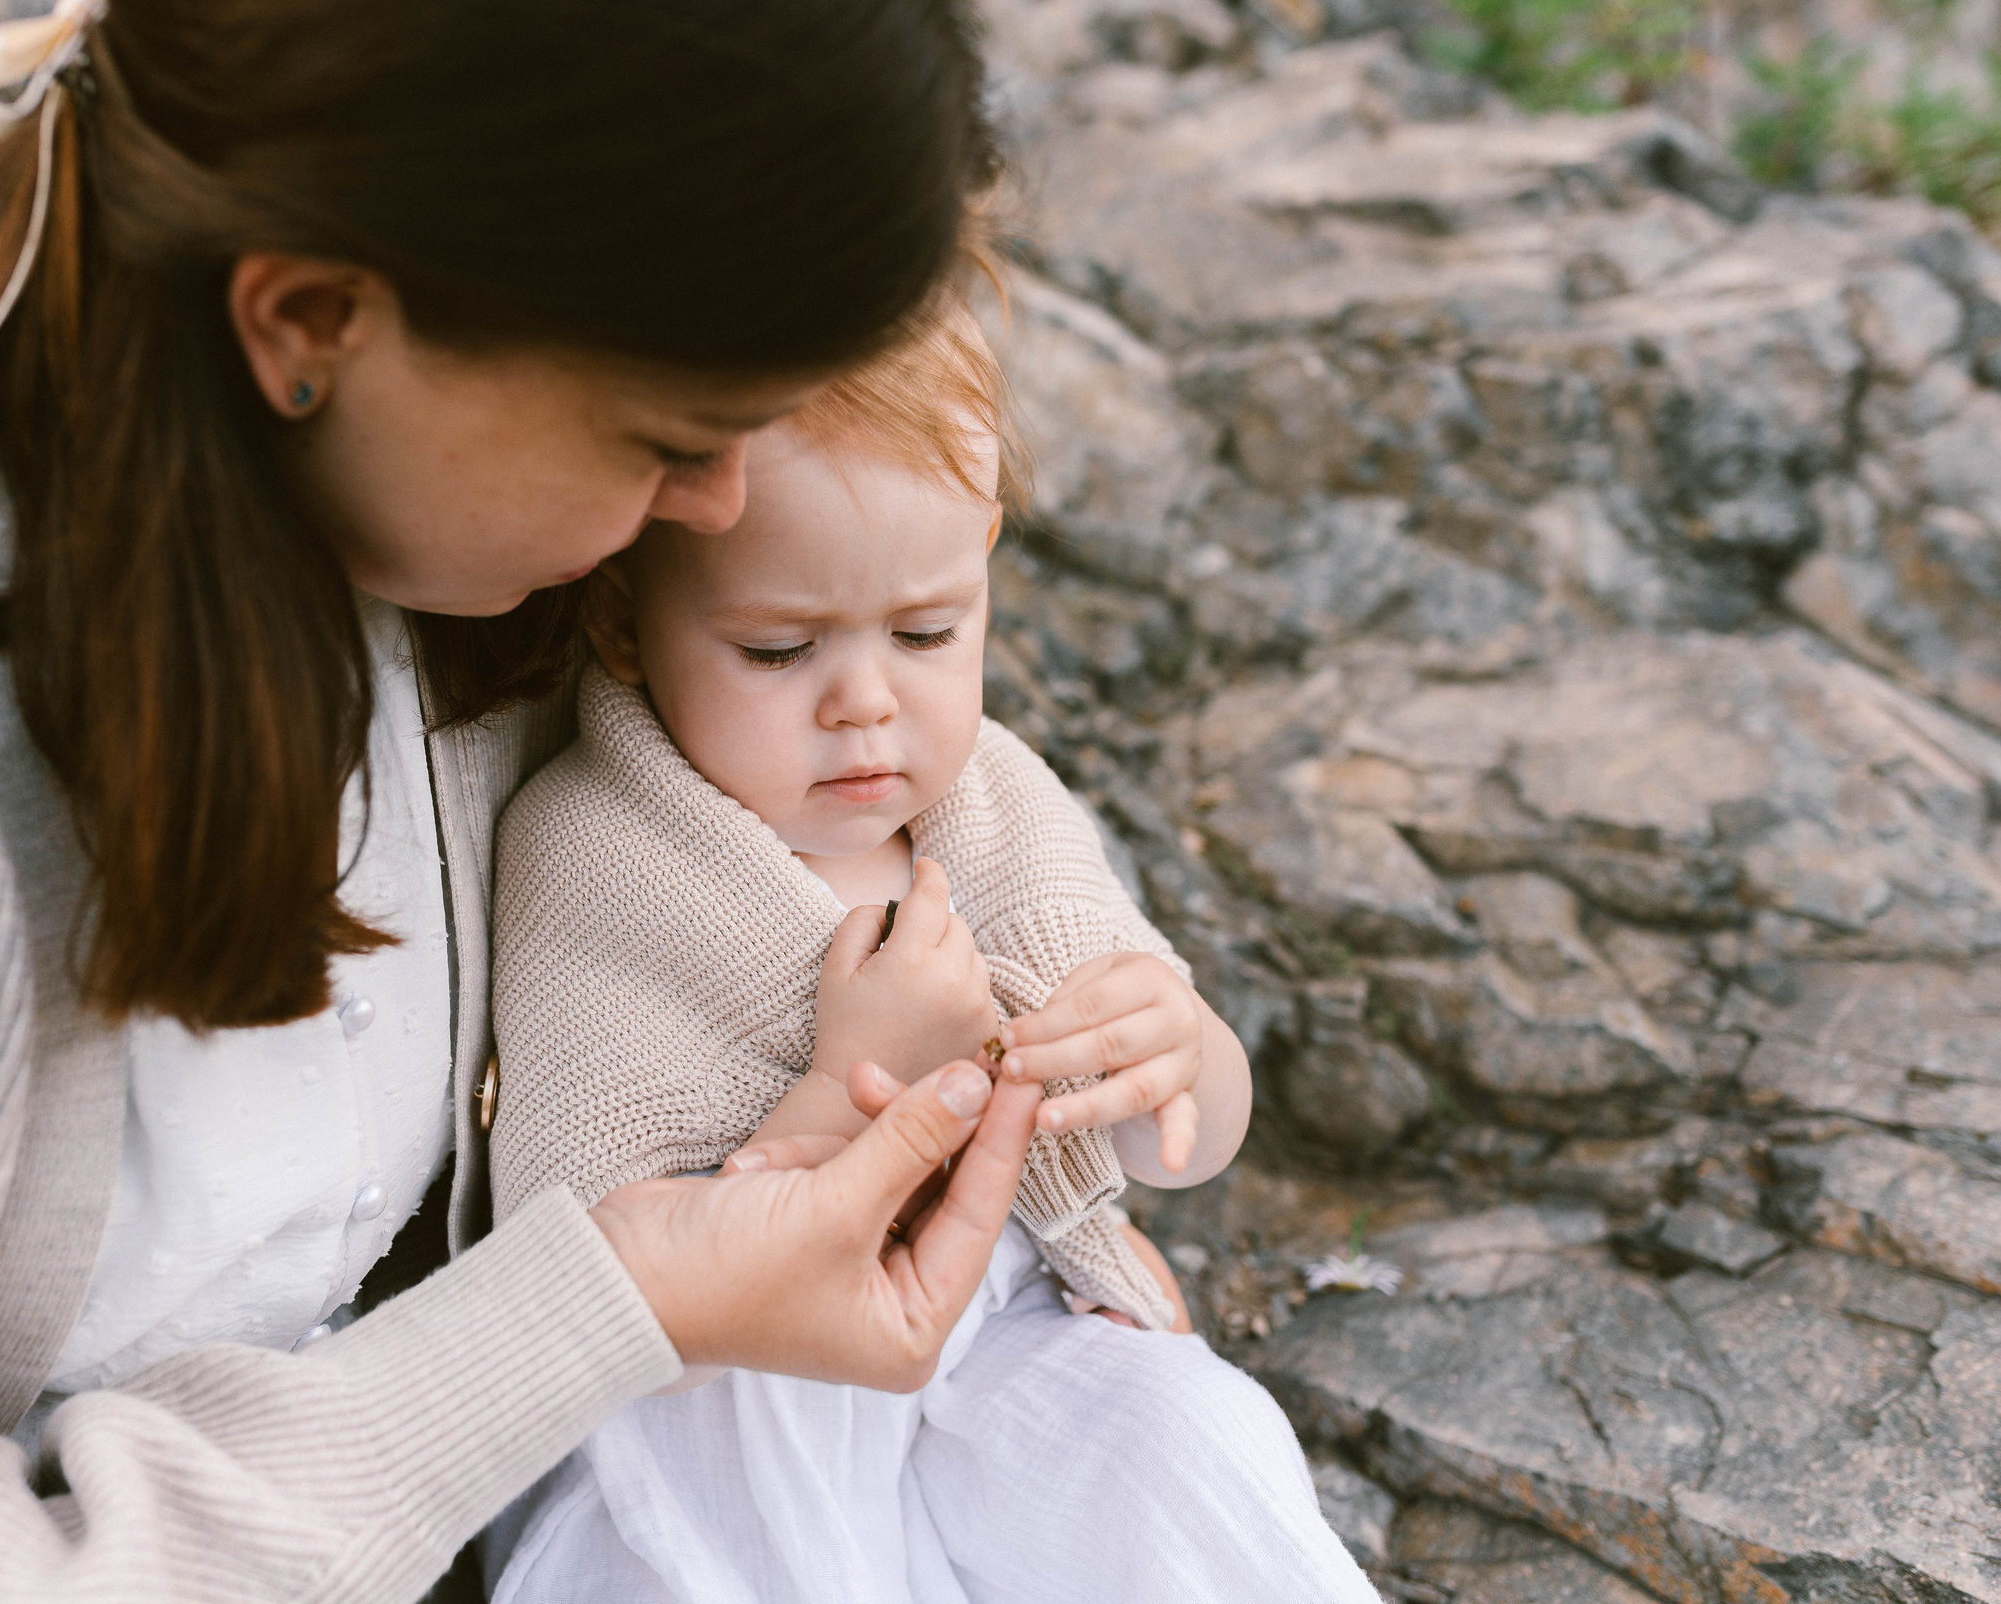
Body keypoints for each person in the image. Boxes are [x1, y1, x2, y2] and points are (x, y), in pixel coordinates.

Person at [0, 0, 1082, 1598]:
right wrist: (608, 1305)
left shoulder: (435, 520)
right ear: (310, 321)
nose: (718, 511)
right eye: (670, 439)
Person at [480, 304, 1379, 1602]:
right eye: (780, 649)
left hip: (1000, 1338)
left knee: (1188, 1444)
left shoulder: (999, 808)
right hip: (735, 1392)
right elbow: (586, 1276)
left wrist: (1180, 1054)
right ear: (623, 624)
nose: (866, 701)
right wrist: (849, 1087)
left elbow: (1181, 1139)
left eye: (926, 633)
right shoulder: (597, 848)